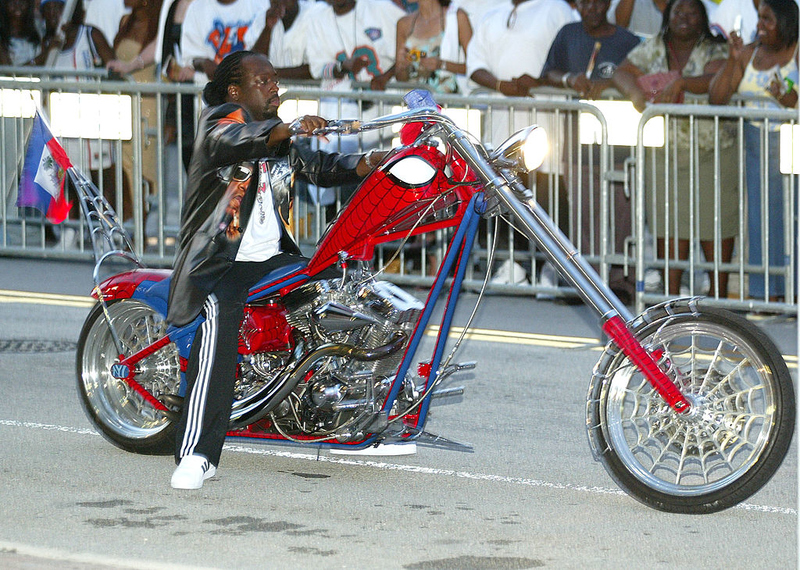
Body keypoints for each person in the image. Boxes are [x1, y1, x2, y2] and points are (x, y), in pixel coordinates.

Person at [167, 51, 385, 489]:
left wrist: (367, 164)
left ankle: (357, 415)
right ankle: (197, 453)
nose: (273, 86)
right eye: (262, 80)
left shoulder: (278, 139)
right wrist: (284, 128)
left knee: (345, 291)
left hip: (272, 259)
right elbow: (238, 139)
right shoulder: (219, 124)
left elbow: (319, 167)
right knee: (219, 314)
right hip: (221, 261)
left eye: (275, 80)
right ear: (235, 90)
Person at [613, 0, 737, 297]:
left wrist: (682, 83)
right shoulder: (654, 45)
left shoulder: (715, 47)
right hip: (664, 149)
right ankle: (671, 296)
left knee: (714, 221)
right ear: (668, 16)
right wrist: (634, 91)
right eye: (678, 12)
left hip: (712, 149)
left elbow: (716, 80)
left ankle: (718, 297)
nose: (684, 18)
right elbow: (621, 71)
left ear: (702, 18)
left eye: (692, 13)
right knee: (669, 223)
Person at [467, 0, 577, 289]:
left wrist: (536, 82)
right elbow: (474, 66)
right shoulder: (492, 14)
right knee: (505, 198)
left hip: (545, 125)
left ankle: (552, 269)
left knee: (549, 199)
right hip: (502, 125)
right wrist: (505, 86)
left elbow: (567, 59)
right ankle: (512, 263)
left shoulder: (556, 9)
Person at [541, 0, 640, 302]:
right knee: (583, 212)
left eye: (598, 1)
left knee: (623, 213)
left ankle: (621, 280)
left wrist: (614, 83)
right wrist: (570, 79)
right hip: (576, 142)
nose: (591, 7)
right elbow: (547, 73)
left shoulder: (628, 41)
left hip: (621, 144)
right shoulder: (567, 34)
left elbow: (641, 79)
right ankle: (589, 281)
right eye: (585, 2)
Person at [708, 0, 798, 302]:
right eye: (759, 18)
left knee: (793, 218)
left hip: (791, 146)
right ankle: (765, 294)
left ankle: (793, 291)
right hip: (755, 145)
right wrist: (733, 60)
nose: (760, 25)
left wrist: (790, 101)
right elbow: (717, 98)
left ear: (785, 22)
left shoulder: (797, 51)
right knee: (760, 219)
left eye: (768, 20)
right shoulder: (749, 52)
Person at [178, 0, 264, 84]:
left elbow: (267, 56)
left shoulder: (261, 4)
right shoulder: (196, 8)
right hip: (209, 92)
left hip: (253, 90)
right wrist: (204, 63)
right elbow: (191, 58)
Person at [394, 0, 459, 94]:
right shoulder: (403, 24)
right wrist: (403, 67)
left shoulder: (455, 18)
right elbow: (400, 77)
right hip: (414, 104)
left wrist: (441, 65)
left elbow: (473, 68)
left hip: (447, 103)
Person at [244, 0, 317, 81]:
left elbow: (316, 68)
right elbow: (252, 64)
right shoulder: (261, 19)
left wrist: (273, 74)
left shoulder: (314, 15)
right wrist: (268, 28)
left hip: (309, 91)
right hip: (270, 91)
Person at [1, 0, 41, 66]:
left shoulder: (38, 29)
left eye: (22, 2)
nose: (17, 6)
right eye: (12, 2)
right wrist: (42, 57)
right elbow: (10, 73)